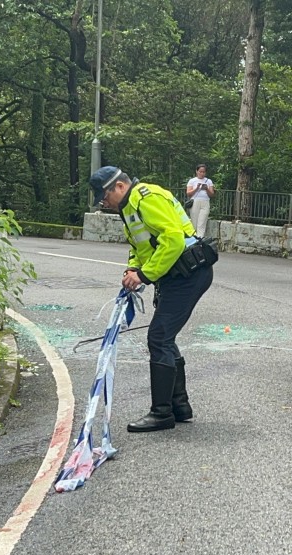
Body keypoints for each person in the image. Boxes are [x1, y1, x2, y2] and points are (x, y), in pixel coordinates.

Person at [90, 166, 214, 433]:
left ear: (119, 187)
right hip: (174, 274)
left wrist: (144, 275)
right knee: (164, 337)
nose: (104, 203)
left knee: (159, 338)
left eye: (104, 196)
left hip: (189, 272)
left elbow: (172, 240)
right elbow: (140, 246)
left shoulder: (147, 198)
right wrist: (133, 269)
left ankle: (162, 413)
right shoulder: (130, 207)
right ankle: (180, 407)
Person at [185, 163, 215, 236]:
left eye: (203, 172)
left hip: (205, 202)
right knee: (194, 223)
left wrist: (206, 189)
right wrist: (197, 188)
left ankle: (200, 239)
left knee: (201, 223)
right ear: (197, 171)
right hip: (195, 202)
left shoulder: (208, 181)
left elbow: (212, 194)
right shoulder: (192, 181)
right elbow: (188, 193)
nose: (202, 173)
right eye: (200, 171)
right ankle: (194, 238)